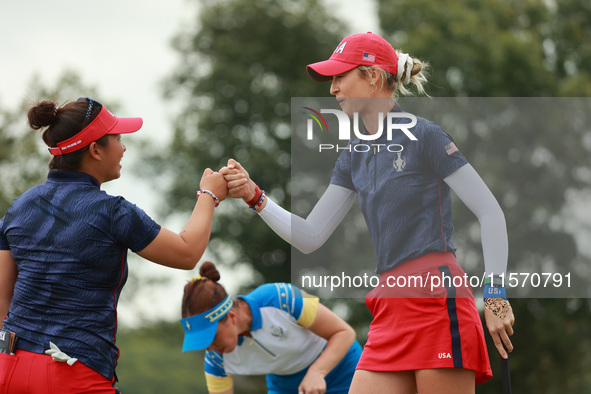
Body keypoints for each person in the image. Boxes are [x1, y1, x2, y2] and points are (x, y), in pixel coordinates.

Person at [220, 32, 515, 393]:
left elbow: (490, 212)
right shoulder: (352, 156)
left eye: (340, 77)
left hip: (436, 302)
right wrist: (256, 197)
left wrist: (496, 294)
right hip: (389, 307)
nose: (333, 89)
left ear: (373, 76)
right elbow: (311, 236)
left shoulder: (426, 136)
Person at [0, 97, 227, 393]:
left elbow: (4, 300)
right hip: (72, 373)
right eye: (118, 138)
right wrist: (209, 195)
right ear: (95, 150)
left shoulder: (20, 206)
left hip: (9, 367)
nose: (123, 147)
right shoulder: (114, 211)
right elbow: (187, 253)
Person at [180, 261, 362, 394]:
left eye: (211, 337)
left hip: (345, 370)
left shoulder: (281, 297)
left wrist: (317, 372)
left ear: (231, 316)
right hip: (287, 387)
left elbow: (344, 332)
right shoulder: (216, 361)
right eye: (203, 341)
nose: (209, 347)